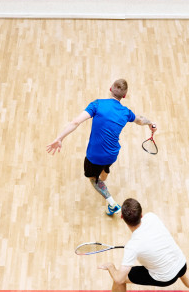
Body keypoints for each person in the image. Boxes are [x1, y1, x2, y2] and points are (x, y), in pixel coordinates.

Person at [46, 79, 157, 216]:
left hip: (95, 156)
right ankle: (103, 175)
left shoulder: (97, 104)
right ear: (124, 96)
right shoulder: (126, 112)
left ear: (110, 89)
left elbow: (75, 122)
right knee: (104, 171)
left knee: (93, 179)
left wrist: (59, 138)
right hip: (112, 154)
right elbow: (140, 119)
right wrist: (150, 123)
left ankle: (112, 204)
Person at [96, 198, 189, 292]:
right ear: (141, 214)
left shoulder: (132, 246)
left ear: (122, 217)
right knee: (182, 270)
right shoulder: (152, 217)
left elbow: (119, 279)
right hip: (180, 263)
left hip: (164, 278)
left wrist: (111, 267)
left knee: (121, 278)